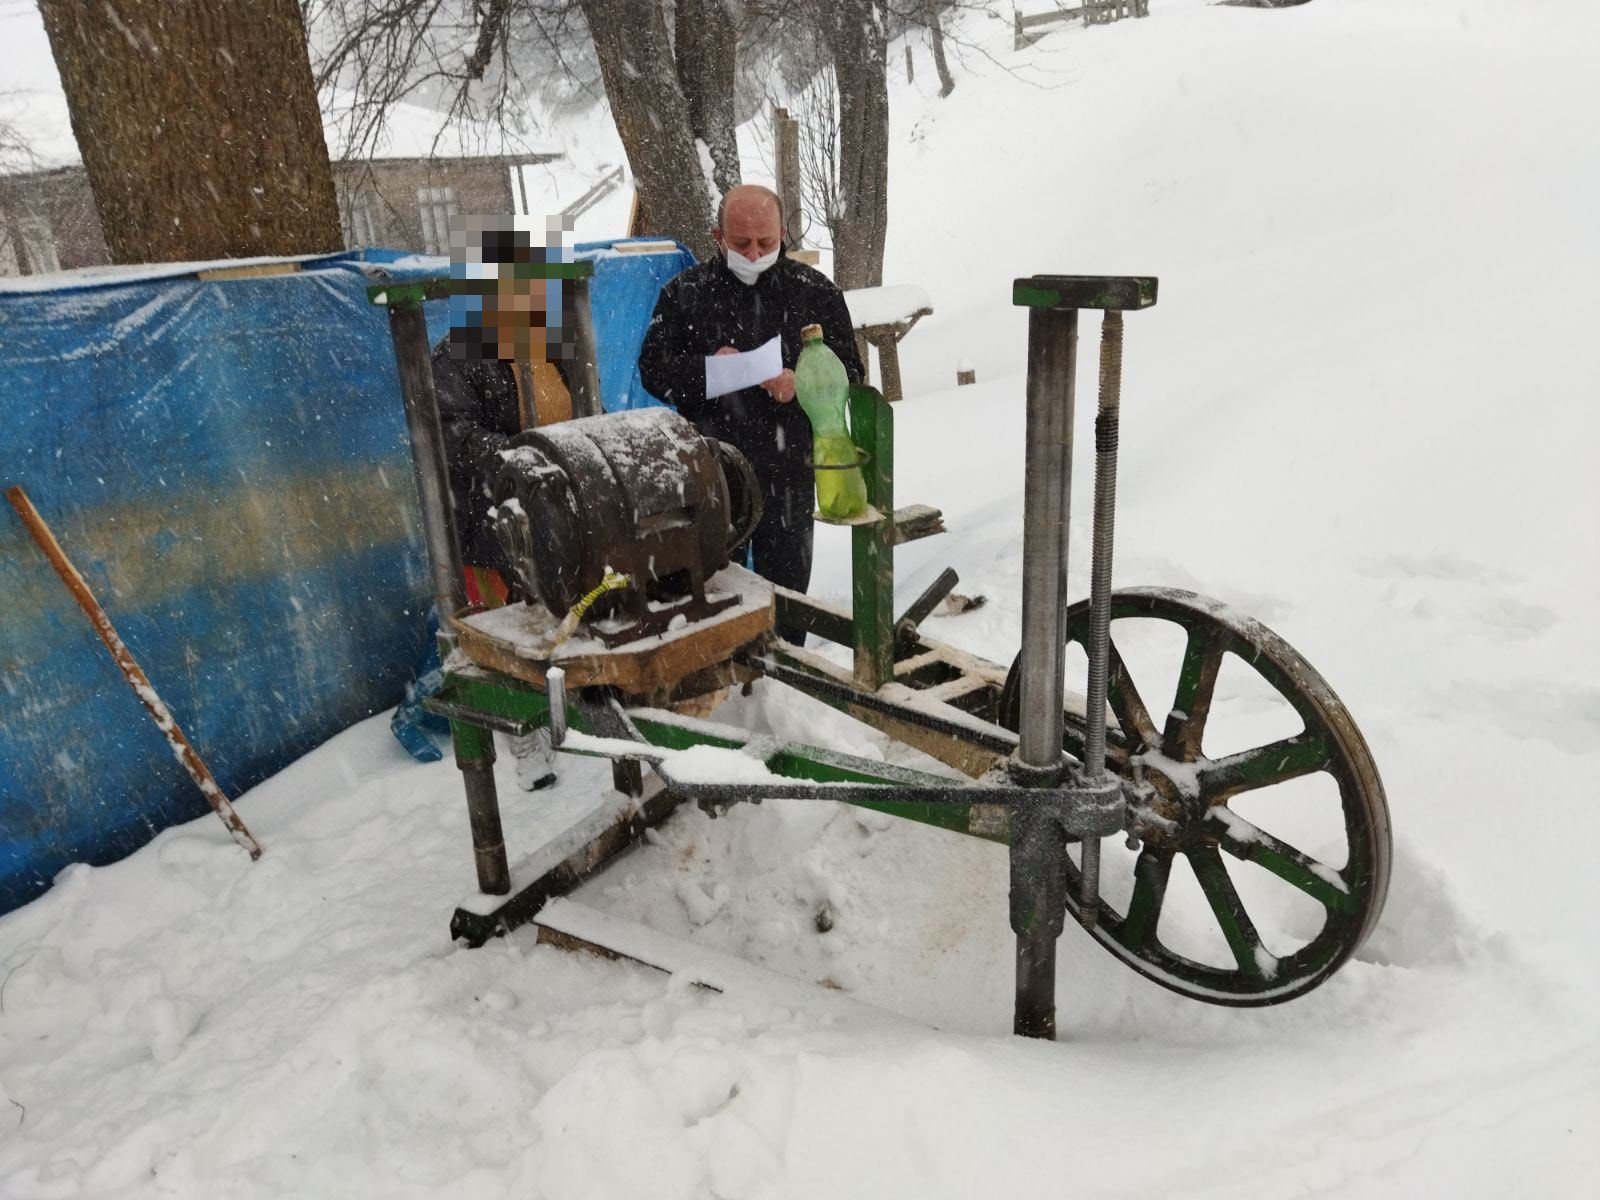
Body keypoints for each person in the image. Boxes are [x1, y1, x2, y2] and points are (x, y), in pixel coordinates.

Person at [638, 185, 864, 642]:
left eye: (766, 242)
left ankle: (788, 672)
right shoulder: (685, 293)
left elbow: (852, 374)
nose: (755, 254)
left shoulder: (814, 291)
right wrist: (709, 370)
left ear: (783, 235)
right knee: (716, 600)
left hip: (790, 469)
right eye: (742, 244)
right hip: (712, 475)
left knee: (789, 598)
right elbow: (653, 371)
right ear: (717, 237)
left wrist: (802, 382)